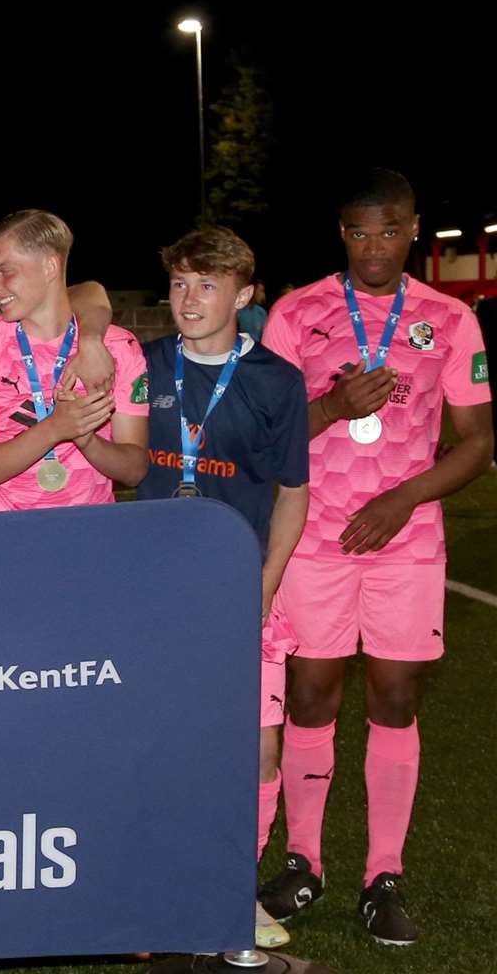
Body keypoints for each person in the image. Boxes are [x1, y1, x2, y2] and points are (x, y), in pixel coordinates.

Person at [257, 169, 492, 946]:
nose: (374, 246)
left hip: (408, 542)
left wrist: (403, 501)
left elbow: (477, 443)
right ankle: (304, 860)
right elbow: (269, 433)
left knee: (395, 701)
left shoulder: (451, 320)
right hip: (314, 539)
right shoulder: (297, 313)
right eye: (359, 231)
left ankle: (382, 874)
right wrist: (334, 408)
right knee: (312, 700)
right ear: (342, 233)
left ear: (414, 229)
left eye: (389, 229)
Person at [133, 226, 310, 949]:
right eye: (178, 283)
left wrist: (264, 586)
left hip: (242, 591)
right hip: (155, 595)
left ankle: (233, 885)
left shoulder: (276, 380)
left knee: (258, 751)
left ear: (244, 293)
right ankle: (161, 883)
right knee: (163, 741)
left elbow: (293, 494)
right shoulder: (144, 365)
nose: (189, 298)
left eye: (207, 284)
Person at [0, 210, 149, 509]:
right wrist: (56, 428)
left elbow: (134, 470)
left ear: (49, 266)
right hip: (6, 536)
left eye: (5, 271)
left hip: (91, 534)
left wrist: (87, 440)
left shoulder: (118, 347)